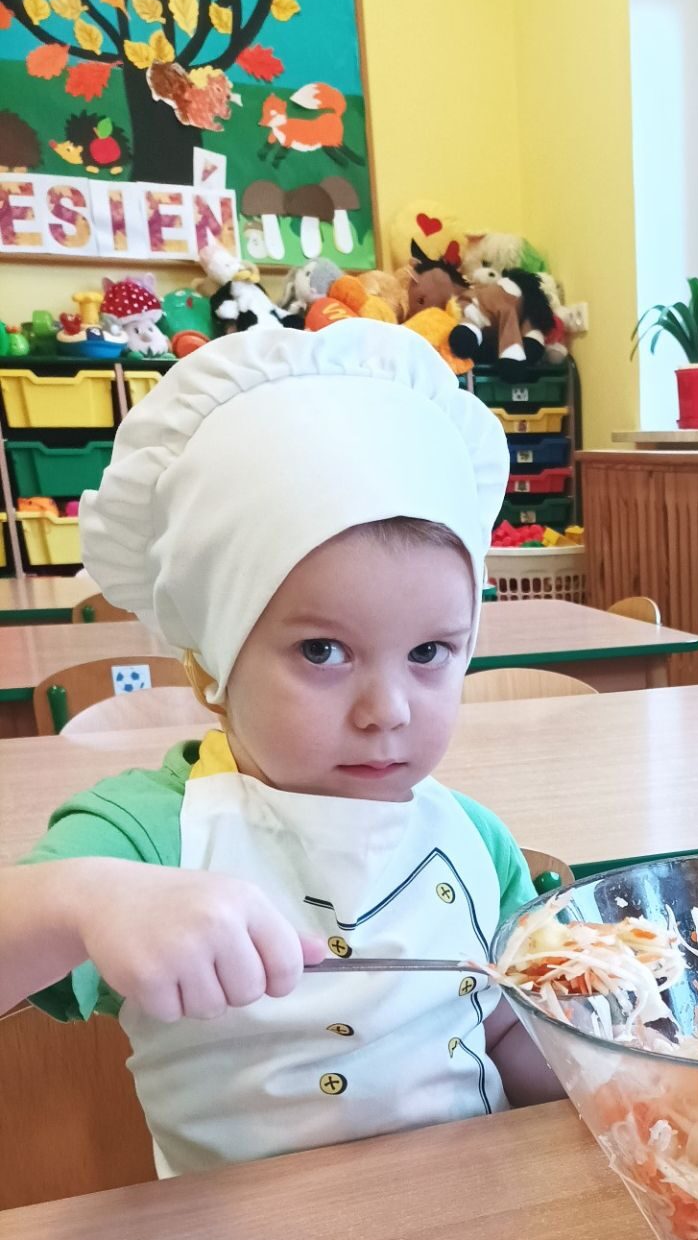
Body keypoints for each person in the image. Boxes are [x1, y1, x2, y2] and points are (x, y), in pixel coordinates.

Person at [0, 321, 561, 1176]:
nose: (387, 711)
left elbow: (502, 1026)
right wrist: (83, 900)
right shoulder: (147, 835)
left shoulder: (475, 840)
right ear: (214, 661)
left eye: (429, 652)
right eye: (322, 652)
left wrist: (620, 1070)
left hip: (469, 1218)